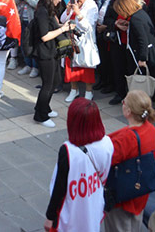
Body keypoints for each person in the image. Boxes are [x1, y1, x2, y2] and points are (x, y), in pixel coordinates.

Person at [44, 99, 113, 232]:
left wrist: (50, 216)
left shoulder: (69, 151)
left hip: (72, 211)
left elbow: (60, 188)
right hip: (94, 203)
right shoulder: (107, 142)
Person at [103, 90, 155, 231]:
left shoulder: (127, 138)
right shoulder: (151, 129)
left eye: (124, 102)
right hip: (139, 192)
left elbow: (104, 161)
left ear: (128, 111)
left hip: (122, 197)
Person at [32, 0, 73, 128]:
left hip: (52, 51)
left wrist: (65, 26)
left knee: (55, 81)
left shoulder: (49, 9)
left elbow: (53, 27)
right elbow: (45, 36)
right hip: (45, 52)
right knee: (48, 84)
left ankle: (45, 108)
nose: (60, 0)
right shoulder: (42, 11)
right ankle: (40, 115)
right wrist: (63, 30)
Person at [62, 0, 99, 102]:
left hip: (84, 42)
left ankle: (89, 92)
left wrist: (78, 13)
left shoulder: (92, 6)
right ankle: (74, 90)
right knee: (71, 66)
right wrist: (68, 10)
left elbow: (88, 26)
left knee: (86, 68)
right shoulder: (74, 2)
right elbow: (63, 19)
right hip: (71, 39)